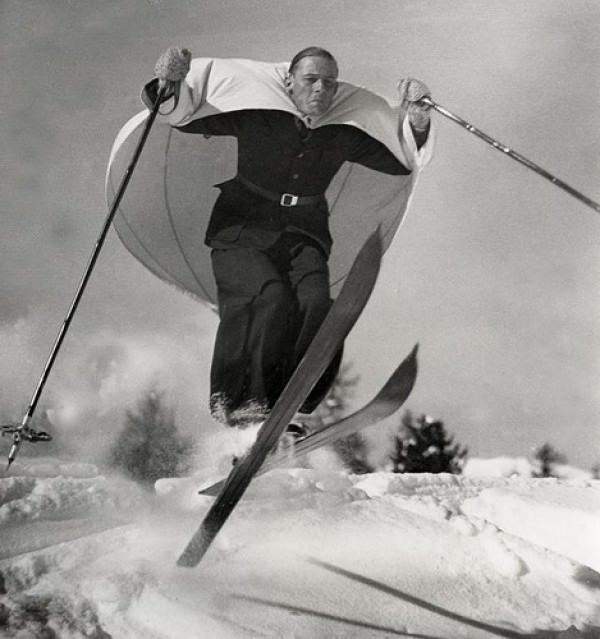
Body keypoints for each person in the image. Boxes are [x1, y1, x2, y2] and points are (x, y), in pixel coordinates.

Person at [143, 46, 432, 431]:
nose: (320, 89)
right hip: (241, 231)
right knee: (269, 297)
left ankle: (288, 405)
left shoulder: (343, 133)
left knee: (319, 304)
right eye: (311, 79)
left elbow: (401, 161)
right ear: (289, 81)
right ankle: (243, 404)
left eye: (329, 82)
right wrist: (169, 83)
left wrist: (417, 117)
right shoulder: (258, 115)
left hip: (303, 235)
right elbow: (182, 117)